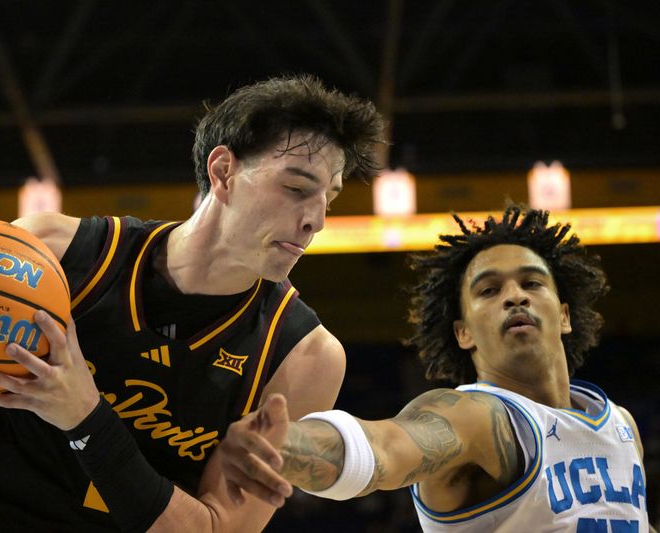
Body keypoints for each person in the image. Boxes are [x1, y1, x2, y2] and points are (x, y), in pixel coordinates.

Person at [0, 75, 385, 532]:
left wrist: (84, 416)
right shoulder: (57, 250)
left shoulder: (305, 356)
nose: (316, 218)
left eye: (329, 200)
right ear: (223, 171)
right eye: (298, 187)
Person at [218, 205, 654, 532]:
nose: (515, 296)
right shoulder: (476, 417)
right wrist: (283, 443)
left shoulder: (620, 424)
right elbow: (386, 447)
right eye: (489, 290)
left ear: (564, 315)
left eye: (532, 282)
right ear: (463, 332)